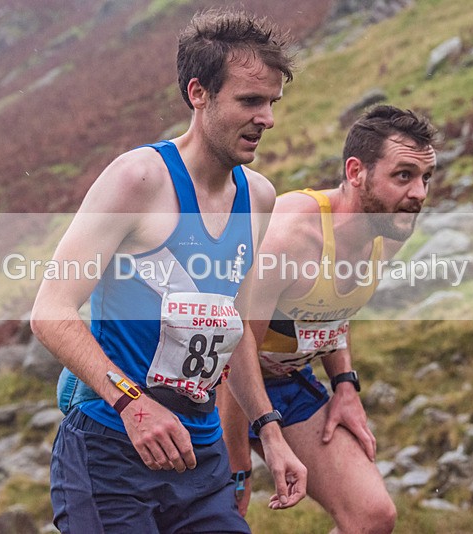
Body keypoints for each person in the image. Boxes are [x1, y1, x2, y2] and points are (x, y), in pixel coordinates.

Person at [30, 9, 307, 533]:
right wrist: (133, 405)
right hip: (110, 449)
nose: (267, 118)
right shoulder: (137, 180)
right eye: (250, 100)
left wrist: (269, 430)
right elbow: (50, 313)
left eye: (272, 103)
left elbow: (236, 330)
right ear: (198, 93)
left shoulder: (260, 197)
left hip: (199, 460)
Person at [218, 105, 438, 534]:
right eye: (403, 175)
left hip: (283, 383)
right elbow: (234, 346)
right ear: (356, 172)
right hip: (215, 384)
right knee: (221, 521)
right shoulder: (291, 238)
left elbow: (331, 310)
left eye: (425, 178)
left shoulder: (387, 231)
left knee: (373, 517)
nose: (419, 194)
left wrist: (345, 384)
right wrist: (238, 461)